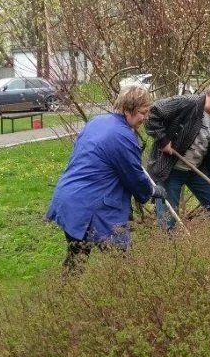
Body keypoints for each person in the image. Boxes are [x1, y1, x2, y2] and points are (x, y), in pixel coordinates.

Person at [45, 84, 166, 274]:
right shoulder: (122, 136)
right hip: (90, 206)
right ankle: (121, 292)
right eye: (142, 113)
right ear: (127, 109)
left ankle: (65, 292)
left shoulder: (97, 121)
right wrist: (152, 191)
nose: (145, 118)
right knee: (121, 263)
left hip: (69, 197)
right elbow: (133, 177)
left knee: (77, 258)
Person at [145, 78, 210, 230]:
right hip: (169, 169)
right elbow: (152, 113)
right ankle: (169, 243)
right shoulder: (187, 103)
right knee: (168, 219)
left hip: (198, 170)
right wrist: (163, 140)